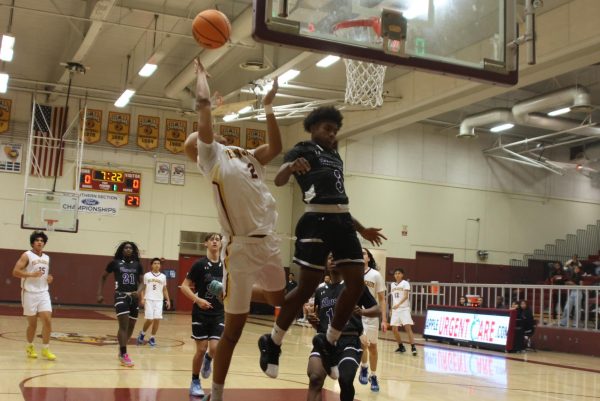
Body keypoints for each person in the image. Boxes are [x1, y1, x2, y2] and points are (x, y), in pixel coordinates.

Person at [259, 105, 386, 381]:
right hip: (315, 220)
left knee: (355, 285)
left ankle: (329, 342)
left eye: (335, 130)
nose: (332, 134)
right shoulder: (301, 149)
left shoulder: (335, 155)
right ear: (313, 127)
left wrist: (362, 229)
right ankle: (274, 341)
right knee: (305, 287)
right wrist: (292, 167)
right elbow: (280, 179)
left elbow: (338, 199)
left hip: (342, 223)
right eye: (327, 129)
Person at [183, 60, 286, 401]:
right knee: (233, 331)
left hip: (268, 242)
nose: (202, 134)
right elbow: (202, 111)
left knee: (280, 301)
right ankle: (217, 393)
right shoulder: (212, 158)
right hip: (240, 249)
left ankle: (268, 341)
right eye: (198, 138)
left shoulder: (245, 154)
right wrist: (200, 79)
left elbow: (275, 148)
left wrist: (269, 107)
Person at [306, 257, 380, 401]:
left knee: (345, 381)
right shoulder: (320, 291)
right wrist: (313, 321)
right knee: (315, 378)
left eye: (337, 256)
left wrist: (362, 312)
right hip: (324, 341)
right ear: (325, 264)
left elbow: (377, 309)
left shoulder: (355, 285)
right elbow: (321, 321)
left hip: (349, 340)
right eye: (329, 257)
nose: (333, 259)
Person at [180, 233, 224, 397]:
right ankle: (195, 381)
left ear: (221, 244)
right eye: (211, 239)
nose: (214, 241)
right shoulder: (199, 265)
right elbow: (184, 287)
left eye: (217, 239)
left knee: (214, 348)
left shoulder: (226, 266)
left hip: (218, 313)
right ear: (206, 243)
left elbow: (230, 290)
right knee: (201, 349)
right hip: (200, 313)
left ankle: (209, 360)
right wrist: (198, 300)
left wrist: (223, 296)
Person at [12, 231, 56, 361]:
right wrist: (31, 275)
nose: (39, 242)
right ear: (32, 242)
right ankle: (30, 346)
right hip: (29, 292)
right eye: (37, 240)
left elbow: (44, 274)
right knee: (33, 324)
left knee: (47, 320)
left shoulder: (47, 258)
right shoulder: (26, 255)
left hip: (43, 292)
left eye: (42, 240)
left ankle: (46, 349)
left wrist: (49, 278)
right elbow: (15, 272)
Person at [97, 241, 143, 367]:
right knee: (123, 325)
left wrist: (138, 292)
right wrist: (99, 294)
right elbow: (103, 277)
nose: (128, 249)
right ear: (122, 250)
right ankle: (124, 354)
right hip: (120, 296)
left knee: (131, 326)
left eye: (130, 248)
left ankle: (122, 347)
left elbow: (142, 282)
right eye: (126, 248)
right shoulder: (115, 263)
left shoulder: (137, 265)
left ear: (133, 251)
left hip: (134, 298)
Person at [357, 248, 387, 392]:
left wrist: (384, 320)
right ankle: (364, 367)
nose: (361, 255)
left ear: (369, 258)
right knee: (362, 343)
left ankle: (374, 376)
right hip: (357, 315)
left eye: (364, 253)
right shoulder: (353, 274)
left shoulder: (376, 275)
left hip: (372, 315)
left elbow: (382, 299)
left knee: (372, 347)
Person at [137, 258, 171, 347]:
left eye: (158, 263)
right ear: (151, 265)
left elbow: (164, 289)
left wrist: (168, 300)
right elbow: (142, 287)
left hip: (159, 300)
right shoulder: (147, 275)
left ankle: (152, 337)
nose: (157, 265)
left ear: (160, 265)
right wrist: (142, 298)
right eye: (155, 263)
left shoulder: (163, 276)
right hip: (148, 299)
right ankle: (142, 334)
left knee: (157, 319)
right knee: (150, 319)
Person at [388, 268, 417, 357]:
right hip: (395, 309)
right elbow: (394, 298)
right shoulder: (392, 285)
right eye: (395, 273)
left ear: (402, 275)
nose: (397, 275)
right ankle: (401, 346)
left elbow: (405, 296)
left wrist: (399, 304)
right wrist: (391, 309)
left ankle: (413, 347)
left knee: (407, 328)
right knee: (394, 329)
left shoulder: (405, 283)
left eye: (399, 273)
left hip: (404, 308)